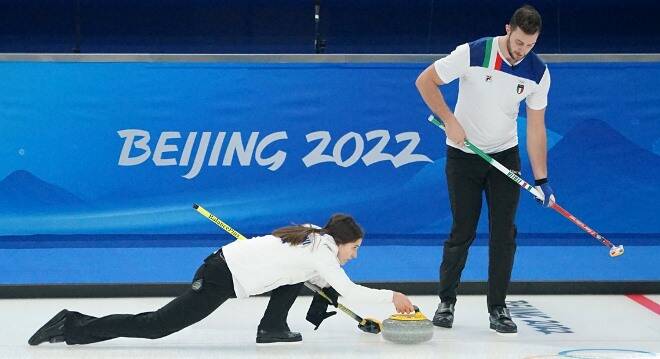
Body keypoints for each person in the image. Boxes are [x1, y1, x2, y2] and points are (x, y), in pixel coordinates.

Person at [28, 214, 414, 346]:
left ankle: (272, 329)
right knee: (158, 326)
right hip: (218, 277)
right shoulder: (322, 252)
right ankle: (74, 326)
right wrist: (392, 295)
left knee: (299, 279)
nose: (355, 255)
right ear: (342, 242)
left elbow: (319, 280)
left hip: (227, 267)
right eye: (356, 249)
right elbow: (345, 289)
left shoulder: (315, 234)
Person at [415, 5, 555, 334]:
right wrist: (450, 120)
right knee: (462, 231)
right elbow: (425, 81)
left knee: (504, 234)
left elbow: (536, 128)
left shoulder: (537, 72)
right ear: (508, 29)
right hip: (463, 155)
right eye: (519, 42)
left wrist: (542, 179)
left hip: (505, 156)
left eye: (530, 45)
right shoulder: (474, 52)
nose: (523, 50)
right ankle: (446, 301)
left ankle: (498, 308)